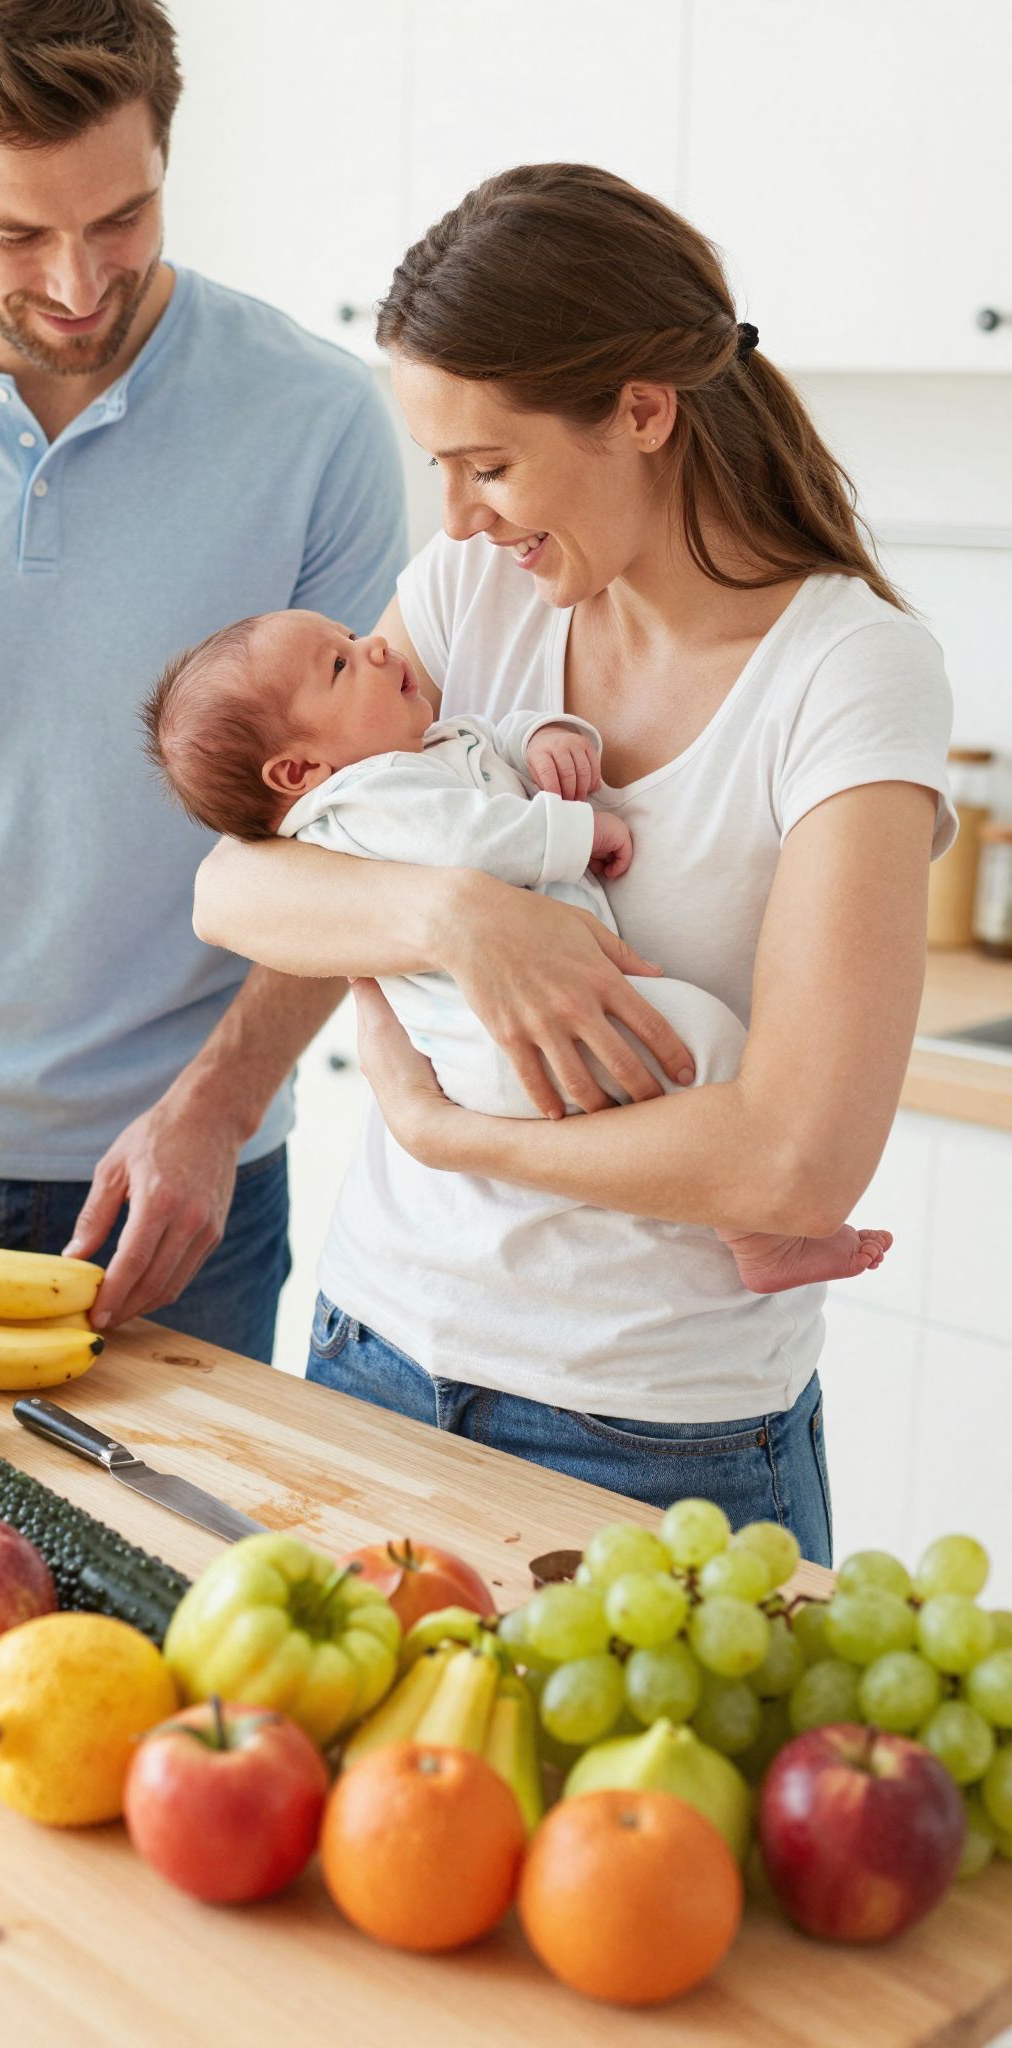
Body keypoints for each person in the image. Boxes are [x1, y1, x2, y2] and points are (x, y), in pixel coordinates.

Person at [191, 165, 956, 1562]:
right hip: (373, 1353)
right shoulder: (470, 592)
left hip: (652, 1435)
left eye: (489, 465)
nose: (463, 515)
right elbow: (238, 882)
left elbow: (797, 1161)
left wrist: (450, 1137)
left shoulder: (849, 676)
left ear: (643, 412)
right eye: (442, 470)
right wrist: (463, 915)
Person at [0, 0, 406, 1359]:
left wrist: (217, 1110)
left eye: (121, 218)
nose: (78, 283)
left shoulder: (317, 417)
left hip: (180, 1174)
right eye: (16, 234)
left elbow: (365, 821)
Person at [143, 604, 892, 1297]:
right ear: (300, 773)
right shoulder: (361, 803)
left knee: (703, 1065)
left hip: (502, 1066)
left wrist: (543, 736)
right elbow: (468, 838)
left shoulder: (419, 748)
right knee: (708, 1045)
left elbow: (482, 744)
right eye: (338, 666)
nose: (372, 645)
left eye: (347, 636)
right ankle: (757, 1236)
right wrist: (577, 833)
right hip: (499, 1044)